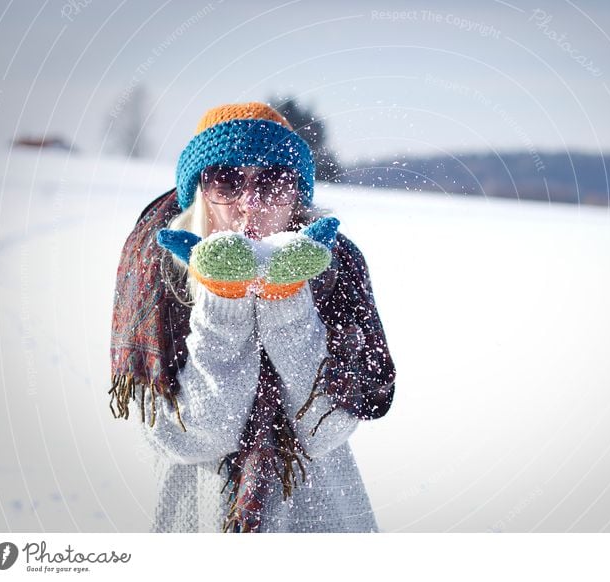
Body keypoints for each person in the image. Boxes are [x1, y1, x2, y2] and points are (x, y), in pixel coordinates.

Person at [109, 102, 396, 533]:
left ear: (297, 192)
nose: (249, 202)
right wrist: (223, 301)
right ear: (201, 192)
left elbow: (326, 431)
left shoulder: (335, 267)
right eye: (226, 180)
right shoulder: (158, 273)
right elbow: (191, 436)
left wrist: (286, 298)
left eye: (272, 179)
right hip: (200, 518)